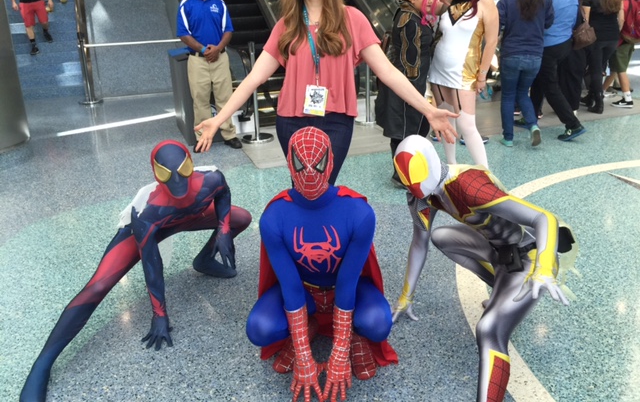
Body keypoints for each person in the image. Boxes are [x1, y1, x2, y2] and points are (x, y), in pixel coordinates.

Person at [194, 0, 458, 184]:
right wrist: (219, 120)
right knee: (302, 187)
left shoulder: (352, 19)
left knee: (324, 187)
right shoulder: (287, 25)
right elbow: (255, 78)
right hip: (291, 120)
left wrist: (429, 109)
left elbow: (388, 72)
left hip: (336, 121)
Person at [20, 140, 252, 402]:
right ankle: (43, 364)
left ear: (190, 163)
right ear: (156, 174)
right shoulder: (146, 208)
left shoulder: (211, 178)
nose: (176, 179)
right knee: (97, 286)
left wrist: (222, 230)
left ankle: (204, 260)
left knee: (241, 218)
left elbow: (223, 194)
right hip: (149, 228)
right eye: (167, 174)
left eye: (182, 170)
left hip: (188, 215)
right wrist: (160, 314)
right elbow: (152, 263)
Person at [392, 135, 577, 402]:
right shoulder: (421, 196)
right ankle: (500, 290)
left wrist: (544, 269)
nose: (420, 195)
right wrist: (405, 296)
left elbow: (542, 218)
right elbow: (420, 242)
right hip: (496, 252)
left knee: (489, 330)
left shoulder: (467, 185)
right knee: (441, 236)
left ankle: (506, 295)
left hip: (530, 257)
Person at [246, 127, 397, 402]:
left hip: (346, 287)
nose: (310, 174)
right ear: (290, 162)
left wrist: (339, 351)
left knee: (377, 323)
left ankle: (354, 334)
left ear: (331, 160)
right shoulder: (274, 216)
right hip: (303, 290)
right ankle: (311, 328)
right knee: (260, 328)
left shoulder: (358, 212)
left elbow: (348, 280)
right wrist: (304, 355)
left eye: (318, 163)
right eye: (301, 165)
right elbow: (290, 287)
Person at [428, 0, 499, 168]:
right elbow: (446, 5)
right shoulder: (453, 3)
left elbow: (492, 41)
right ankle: (450, 165)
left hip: (465, 74)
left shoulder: (485, 2)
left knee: (467, 125)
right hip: (439, 70)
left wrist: (482, 76)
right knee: (446, 122)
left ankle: (486, 173)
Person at [375, 0, 438, 186]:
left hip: (410, 82)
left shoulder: (411, 14)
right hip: (408, 83)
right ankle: (402, 174)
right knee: (404, 130)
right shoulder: (408, 19)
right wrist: (414, 92)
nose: (430, 0)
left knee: (409, 128)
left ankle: (405, 171)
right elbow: (410, 60)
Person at [177, 0, 242, 150]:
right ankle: (202, 138)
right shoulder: (186, 4)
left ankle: (229, 134)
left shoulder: (219, 3)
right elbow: (183, 33)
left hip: (220, 58)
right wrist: (204, 49)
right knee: (200, 100)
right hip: (198, 60)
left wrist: (218, 48)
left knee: (225, 98)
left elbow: (228, 30)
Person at [497, 0, 554, 147]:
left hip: (511, 53)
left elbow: (498, 24)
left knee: (508, 96)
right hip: (535, 55)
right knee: (523, 93)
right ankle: (533, 126)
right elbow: (548, 23)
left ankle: (508, 137)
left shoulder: (506, 0)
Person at [530, 0, 586, 141]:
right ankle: (530, 116)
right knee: (540, 80)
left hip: (549, 45)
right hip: (565, 43)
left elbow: (536, 19)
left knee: (550, 85)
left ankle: (573, 124)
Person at [579, 0, 623, 114]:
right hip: (613, 36)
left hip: (596, 37)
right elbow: (620, 19)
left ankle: (598, 102)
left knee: (595, 70)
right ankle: (591, 96)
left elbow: (586, 19)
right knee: (601, 67)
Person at [604, 0, 636, 109]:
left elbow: (621, 20)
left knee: (621, 69)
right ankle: (600, 91)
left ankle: (627, 98)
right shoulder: (635, 0)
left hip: (621, 40)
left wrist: (615, 33)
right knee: (616, 68)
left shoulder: (622, 2)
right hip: (631, 38)